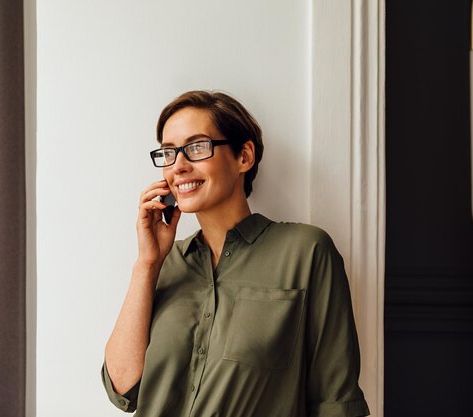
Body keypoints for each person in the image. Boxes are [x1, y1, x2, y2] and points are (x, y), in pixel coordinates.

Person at [101, 90, 370, 417]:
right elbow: (122, 388)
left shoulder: (306, 252)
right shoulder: (165, 264)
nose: (178, 166)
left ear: (244, 156)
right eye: (169, 152)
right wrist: (147, 263)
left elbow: (336, 402)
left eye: (196, 147)